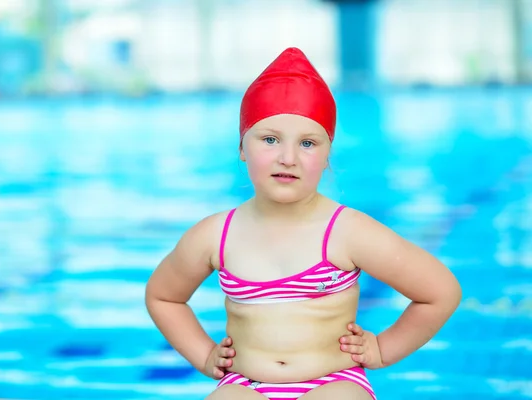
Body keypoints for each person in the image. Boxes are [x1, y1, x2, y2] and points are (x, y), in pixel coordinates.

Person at [145, 47, 462, 400]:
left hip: (333, 382)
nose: (288, 158)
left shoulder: (347, 231)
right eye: (269, 139)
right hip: (245, 384)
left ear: (327, 155)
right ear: (241, 147)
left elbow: (440, 292)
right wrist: (204, 355)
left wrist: (383, 349)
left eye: (308, 143)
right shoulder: (215, 235)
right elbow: (164, 297)